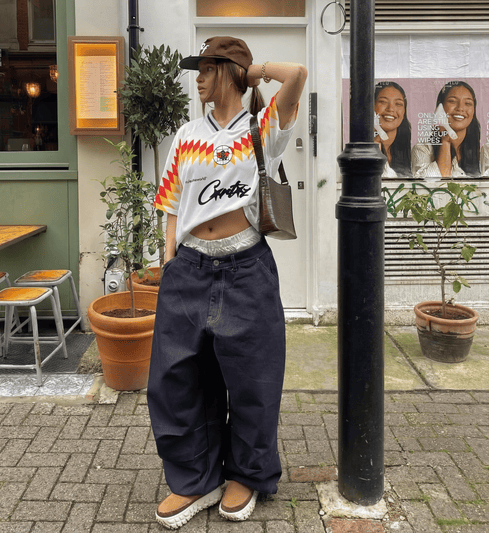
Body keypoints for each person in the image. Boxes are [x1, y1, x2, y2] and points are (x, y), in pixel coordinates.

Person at [147, 36, 307, 530]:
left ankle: (246, 475)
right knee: (177, 380)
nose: (197, 78)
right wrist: (169, 260)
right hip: (189, 269)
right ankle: (196, 479)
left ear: (229, 73)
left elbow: (297, 74)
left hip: (246, 269)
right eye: (197, 70)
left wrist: (250, 71)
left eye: (207, 68)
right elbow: (170, 203)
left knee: (253, 380)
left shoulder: (262, 127)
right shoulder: (186, 134)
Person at [412, 81, 481, 179]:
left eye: (468, 103)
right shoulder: (423, 149)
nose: (460, 108)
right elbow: (435, 185)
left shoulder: (482, 153)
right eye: (452, 101)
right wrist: (445, 141)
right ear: (440, 107)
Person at [373, 81, 412, 178]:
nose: (390, 109)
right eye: (383, 102)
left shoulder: (406, 151)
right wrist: (376, 143)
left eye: (398, 104)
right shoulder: (362, 149)